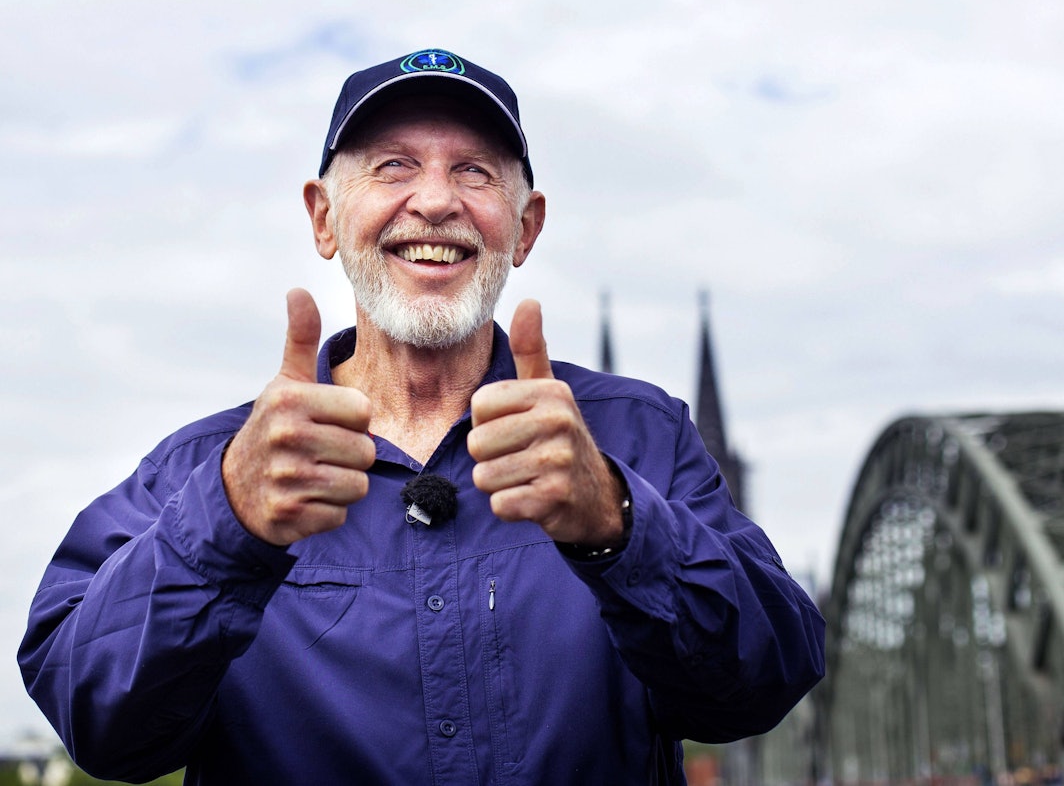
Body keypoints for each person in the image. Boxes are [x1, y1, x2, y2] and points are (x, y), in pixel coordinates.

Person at [19, 48, 825, 785]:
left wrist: (619, 526)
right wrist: (225, 522)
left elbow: (765, 681)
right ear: (325, 219)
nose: (435, 200)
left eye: (475, 172)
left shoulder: (639, 437)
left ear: (525, 227)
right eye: (393, 166)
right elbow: (96, 720)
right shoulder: (204, 468)